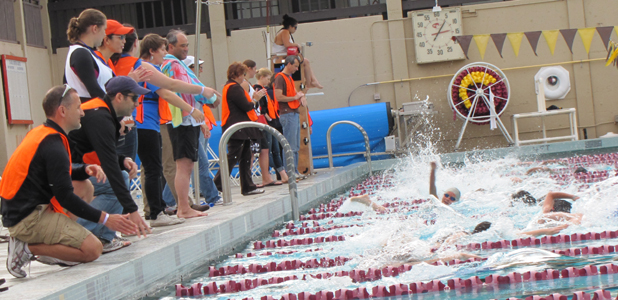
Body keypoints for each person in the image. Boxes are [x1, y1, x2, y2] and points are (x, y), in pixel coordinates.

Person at [0, 85, 137, 278]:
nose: (82, 112)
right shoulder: (54, 145)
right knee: (93, 250)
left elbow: (56, 173)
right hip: (28, 219)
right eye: (78, 107)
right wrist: (106, 218)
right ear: (63, 111)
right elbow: (64, 196)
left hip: (21, 210)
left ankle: (57, 242)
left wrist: (84, 170)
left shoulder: (43, 133)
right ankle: (28, 248)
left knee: (86, 186)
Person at [70, 76, 153, 251]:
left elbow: (104, 153)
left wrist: (123, 160)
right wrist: (132, 211)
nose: (137, 103)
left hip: (69, 167)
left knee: (120, 176)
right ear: (119, 97)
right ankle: (78, 237)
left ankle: (99, 237)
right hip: (59, 172)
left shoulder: (103, 113)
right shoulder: (100, 117)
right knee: (118, 180)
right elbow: (109, 167)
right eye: (134, 98)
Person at [161, 29, 220, 218]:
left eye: (187, 44)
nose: (186, 48)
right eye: (183, 45)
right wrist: (203, 97)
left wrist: (206, 99)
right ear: (170, 46)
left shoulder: (176, 64)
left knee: (185, 165)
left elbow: (187, 89)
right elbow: (178, 89)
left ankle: (184, 205)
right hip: (182, 120)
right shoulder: (171, 64)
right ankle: (183, 208)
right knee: (183, 166)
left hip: (187, 120)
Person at [64, 9, 149, 103]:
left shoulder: (87, 53)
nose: (105, 34)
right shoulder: (80, 53)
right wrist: (113, 108)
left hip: (95, 112)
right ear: (95, 29)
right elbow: (94, 90)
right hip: (91, 112)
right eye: (104, 29)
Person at [213, 62, 265, 196]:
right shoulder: (233, 88)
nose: (244, 77)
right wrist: (256, 99)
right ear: (237, 74)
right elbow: (246, 106)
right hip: (237, 127)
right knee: (233, 156)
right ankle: (217, 185)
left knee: (245, 156)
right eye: (243, 74)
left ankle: (248, 186)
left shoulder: (231, 86)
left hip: (241, 127)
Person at [184, 55, 222, 206]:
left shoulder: (194, 84)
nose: (201, 69)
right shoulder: (189, 84)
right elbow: (211, 101)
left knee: (190, 165)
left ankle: (170, 199)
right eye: (198, 67)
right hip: (188, 126)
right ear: (190, 68)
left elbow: (210, 102)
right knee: (198, 164)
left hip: (196, 125)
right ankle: (212, 196)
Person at [254, 68, 288, 184]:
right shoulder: (258, 90)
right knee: (268, 151)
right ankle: (272, 175)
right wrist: (268, 118)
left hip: (271, 122)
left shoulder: (263, 90)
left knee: (276, 149)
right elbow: (261, 108)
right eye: (267, 79)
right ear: (261, 77)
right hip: (266, 123)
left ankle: (282, 174)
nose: (269, 81)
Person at [274, 56, 306, 177]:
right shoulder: (280, 78)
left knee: (296, 146)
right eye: (295, 66)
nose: (297, 69)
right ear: (288, 64)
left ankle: (294, 171)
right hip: (287, 113)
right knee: (290, 145)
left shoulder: (289, 78)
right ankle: (290, 172)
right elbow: (279, 97)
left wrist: (299, 96)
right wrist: (295, 97)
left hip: (293, 112)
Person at [273, 14, 323, 89]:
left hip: (283, 56)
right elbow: (287, 44)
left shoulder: (285, 32)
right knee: (305, 61)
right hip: (280, 57)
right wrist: (297, 44)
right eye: (295, 27)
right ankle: (310, 83)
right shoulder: (285, 32)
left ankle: (313, 80)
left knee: (305, 61)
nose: (295, 30)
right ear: (290, 26)